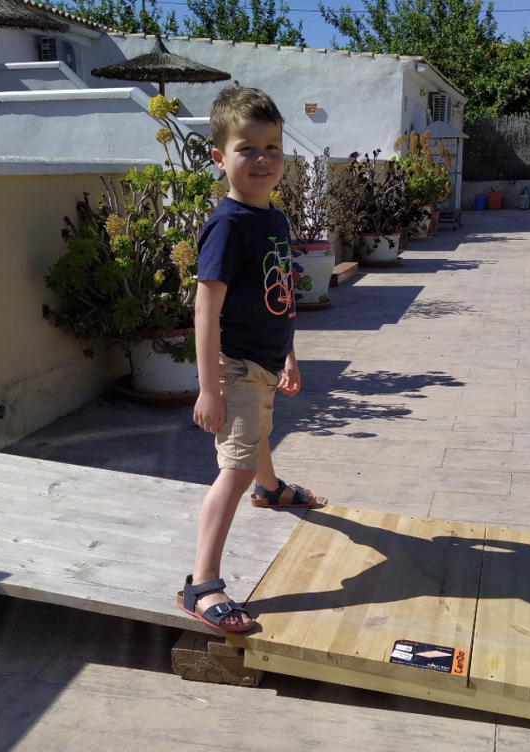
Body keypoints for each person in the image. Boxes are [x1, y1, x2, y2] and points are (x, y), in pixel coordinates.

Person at [177, 86, 324, 634]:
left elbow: (280, 292)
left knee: (259, 429)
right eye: (247, 148)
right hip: (235, 365)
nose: (262, 159)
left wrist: (288, 353)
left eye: (273, 147)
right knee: (232, 467)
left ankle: (270, 489)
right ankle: (202, 584)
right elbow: (204, 310)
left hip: (264, 360)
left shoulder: (275, 220)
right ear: (220, 158)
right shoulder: (229, 225)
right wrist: (208, 388)